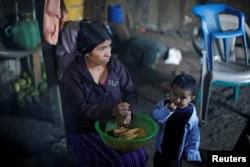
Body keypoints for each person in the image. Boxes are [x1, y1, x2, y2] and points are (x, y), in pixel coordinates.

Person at [60, 19, 148, 167]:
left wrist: (129, 112)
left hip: (112, 127)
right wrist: (111, 111)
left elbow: (130, 91)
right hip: (85, 131)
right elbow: (78, 108)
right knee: (120, 161)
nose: (108, 53)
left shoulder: (115, 66)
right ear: (86, 52)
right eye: (102, 49)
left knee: (141, 154)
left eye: (109, 47)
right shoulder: (73, 74)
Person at [151, 73, 202, 167]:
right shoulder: (166, 104)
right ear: (170, 90)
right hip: (162, 149)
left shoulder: (190, 113)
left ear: (191, 98)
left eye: (183, 98)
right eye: (175, 94)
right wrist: (167, 111)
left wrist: (192, 150)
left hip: (177, 152)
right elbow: (156, 117)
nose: (177, 100)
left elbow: (194, 134)